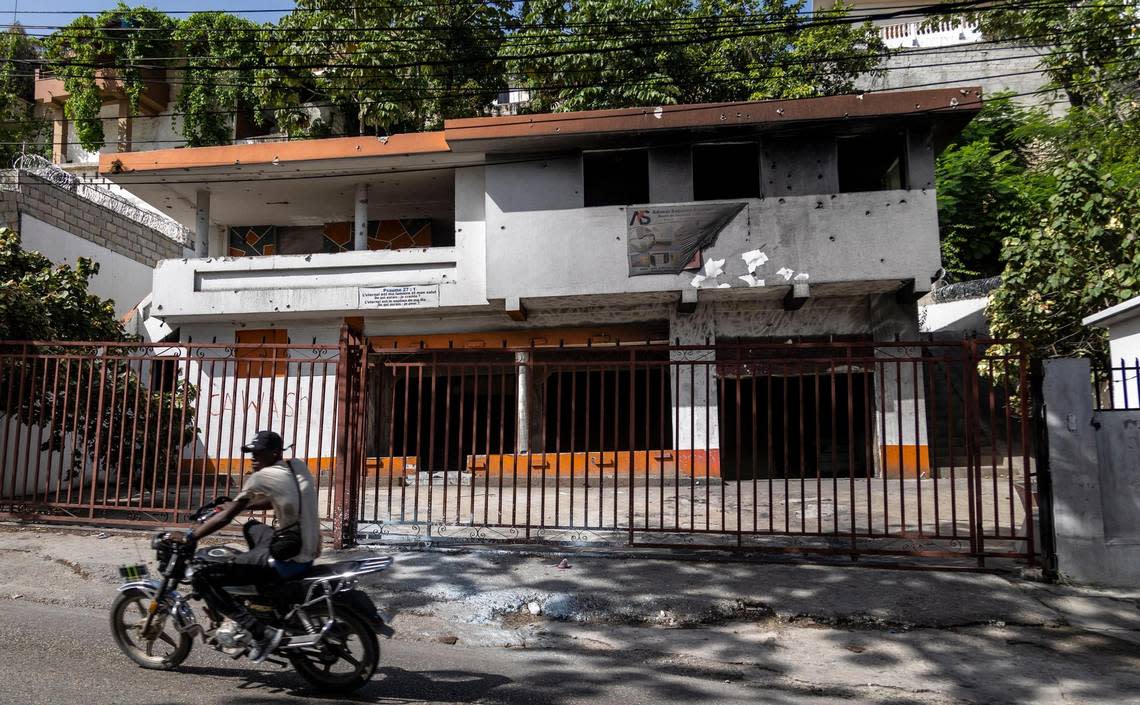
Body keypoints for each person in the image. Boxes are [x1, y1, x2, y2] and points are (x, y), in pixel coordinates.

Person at [184, 430, 322, 663]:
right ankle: (260, 599)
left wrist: (191, 537)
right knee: (251, 528)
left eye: (259, 452)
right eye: (251, 452)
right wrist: (242, 506)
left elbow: (225, 519)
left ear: (275, 453)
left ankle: (260, 633)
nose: (253, 457)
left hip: (290, 556)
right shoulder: (296, 466)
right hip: (308, 544)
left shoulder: (261, 477)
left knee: (202, 576)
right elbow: (279, 499)